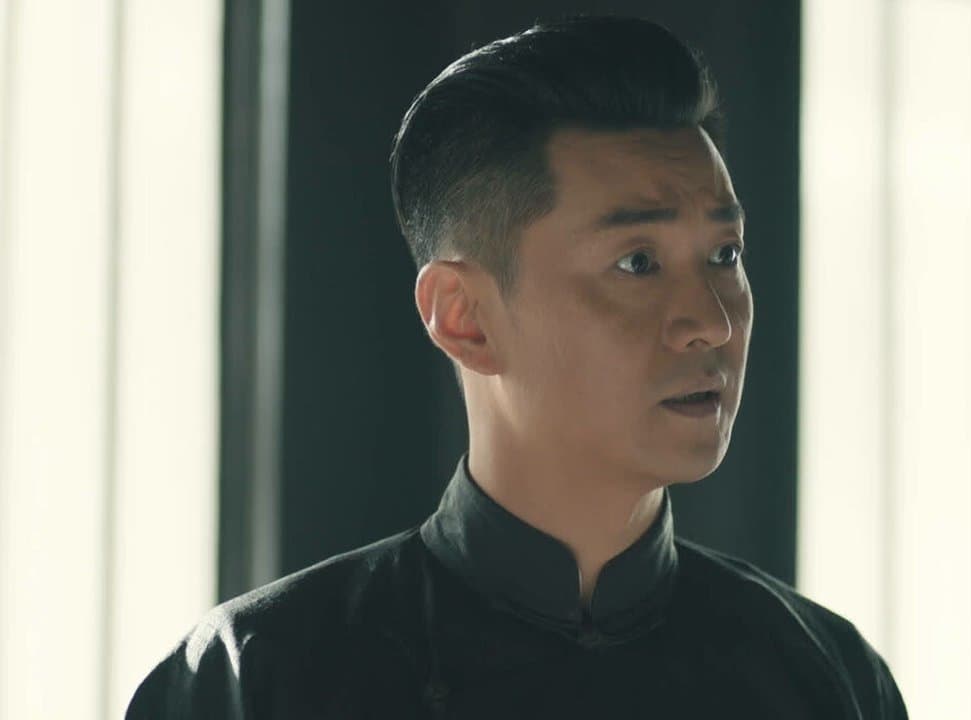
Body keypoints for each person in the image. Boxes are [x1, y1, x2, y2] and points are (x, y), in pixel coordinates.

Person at [126, 15, 908, 719]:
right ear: (464, 317)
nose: (712, 321)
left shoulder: (827, 678)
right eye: (637, 262)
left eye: (724, 254)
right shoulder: (255, 681)